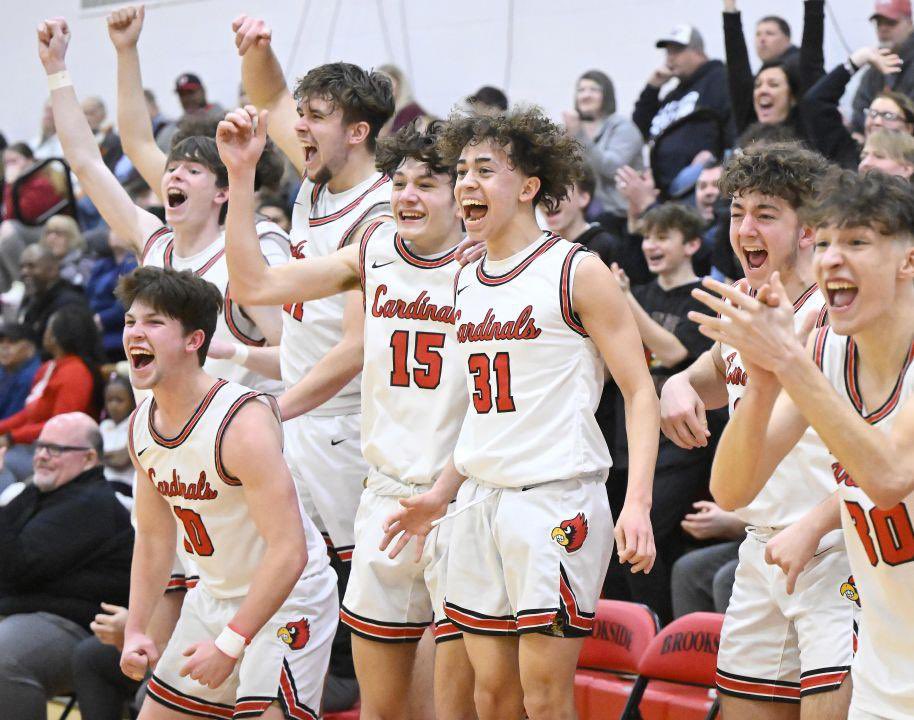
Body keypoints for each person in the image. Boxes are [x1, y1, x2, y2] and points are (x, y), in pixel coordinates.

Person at [380, 107, 658, 720]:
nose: (466, 184)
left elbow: (640, 391)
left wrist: (635, 502)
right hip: (480, 497)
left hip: (555, 500)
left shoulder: (575, 270)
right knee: (492, 695)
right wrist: (441, 493)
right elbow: (485, 414)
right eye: (460, 171)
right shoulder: (467, 278)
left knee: (545, 695)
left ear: (529, 187)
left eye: (486, 169)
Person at [216, 110, 475, 719]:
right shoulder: (374, 250)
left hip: (463, 498)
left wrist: (447, 488)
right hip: (384, 494)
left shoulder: (493, 268)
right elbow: (254, 285)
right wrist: (243, 174)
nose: (406, 196)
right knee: (380, 710)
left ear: (460, 196)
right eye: (401, 182)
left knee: (450, 708)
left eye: (425, 183)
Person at [690, 169, 914, 720]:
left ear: (908, 261)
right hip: (889, 655)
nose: (832, 257)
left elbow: (887, 478)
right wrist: (764, 382)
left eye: (857, 242)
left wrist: (788, 360)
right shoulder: (829, 354)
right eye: (828, 241)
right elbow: (732, 488)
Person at [660, 144, 857, 716]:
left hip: (838, 546)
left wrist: (819, 523)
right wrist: (678, 385)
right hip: (760, 547)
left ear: (808, 228)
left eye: (766, 213)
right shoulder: (746, 301)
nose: (745, 228)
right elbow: (715, 372)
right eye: (737, 211)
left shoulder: (839, 313)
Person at [116, 265, 337, 719]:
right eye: (130, 322)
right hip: (213, 596)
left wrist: (232, 641)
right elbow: (155, 540)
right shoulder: (141, 426)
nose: (136, 333)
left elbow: (289, 550)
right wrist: (137, 627)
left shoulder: (241, 424)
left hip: (288, 598)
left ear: (194, 340)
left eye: (154, 323)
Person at [42, 9, 286, 397]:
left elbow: (296, 358)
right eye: (172, 169)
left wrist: (234, 354)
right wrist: (56, 69)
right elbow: (87, 162)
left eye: (192, 171)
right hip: (165, 439)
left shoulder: (249, 254)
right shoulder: (154, 241)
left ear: (223, 191)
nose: (173, 175)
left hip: (234, 438)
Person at [604, 203, 714, 624]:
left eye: (663, 237)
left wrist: (626, 300)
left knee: (640, 541)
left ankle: (658, 633)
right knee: (615, 549)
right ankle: (626, 639)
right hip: (628, 442)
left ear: (691, 244)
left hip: (680, 446)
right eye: (648, 236)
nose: (652, 245)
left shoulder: (700, 298)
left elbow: (674, 352)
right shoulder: (645, 294)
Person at [0, 412, 133, 720]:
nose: (42, 456)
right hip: (29, 611)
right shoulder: (39, 492)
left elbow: (15, 567)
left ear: (88, 458)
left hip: (79, 628)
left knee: (4, 659)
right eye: (40, 446)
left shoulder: (91, 503)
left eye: (55, 449)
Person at [0, 305, 104, 486]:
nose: (45, 332)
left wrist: (11, 437)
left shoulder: (76, 372)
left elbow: (60, 427)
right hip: (33, 443)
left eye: (49, 327)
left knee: (4, 462)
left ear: (58, 335)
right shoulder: (49, 367)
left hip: (61, 452)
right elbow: (28, 413)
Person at [632, 24, 732, 196]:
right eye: (668, 52)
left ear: (698, 52)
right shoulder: (673, 95)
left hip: (698, 182)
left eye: (677, 51)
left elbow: (733, 121)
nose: (670, 58)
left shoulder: (719, 78)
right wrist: (652, 87)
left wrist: (717, 157)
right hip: (662, 186)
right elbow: (639, 130)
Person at [722, 0, 825, 135]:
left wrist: (813, 5)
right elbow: (738, 72)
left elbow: (812, 54)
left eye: (769, 33)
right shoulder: (752, 132)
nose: (762, 39)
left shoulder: (801, 70)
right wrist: (729, 8)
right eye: (758, 34)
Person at [562, 70, 643, 235]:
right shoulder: (571, 130)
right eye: (581, 90)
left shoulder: (622, 127)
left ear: (606, 94)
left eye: (594, 90)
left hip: (619, 218)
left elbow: (612, 168)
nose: (586, 95)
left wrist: (579, 136)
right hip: (582, 215)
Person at [802, 46, 909, 169]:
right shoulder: (848, 155)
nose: (877, 122)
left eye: (888, 116)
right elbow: (815, 102)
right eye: (872, 114)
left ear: (909, 127)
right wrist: (857, 61)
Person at [543, 163, 648, 282]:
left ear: (584, 198)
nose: (549, 199)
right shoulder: (543, 248)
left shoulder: (606, 245)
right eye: (543, 192)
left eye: (559, 191)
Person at [670, 501, 745, 616]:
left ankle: (733, 634)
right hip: (755, 532)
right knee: (687, 569)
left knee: (727, 579)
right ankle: (692, 634)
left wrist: (734, 522)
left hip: (774, 537)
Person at [852, 0, 914, 133]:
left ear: (909, 24)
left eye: (891, 22)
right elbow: (858, 111)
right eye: (879, 22)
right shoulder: (874, 70)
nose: (883, 28)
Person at [16, 243, 87, 348]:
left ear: (53, 270)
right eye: (22, 267)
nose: (24, 272)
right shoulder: (31, 302)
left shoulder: (70, 304)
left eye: (31, 266)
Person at [87, 227, 139, 362]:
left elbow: (125, 303)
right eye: (111, 229)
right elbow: (89, 294)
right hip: (94, 322)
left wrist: (101, 319)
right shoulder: (102, 264)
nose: (114, 234)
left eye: (118, 229)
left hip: (117, 328)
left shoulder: (133, 264)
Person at [99, 372, 135, 498]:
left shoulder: (134, 424)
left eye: (119, 400)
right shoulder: (104, 426)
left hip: (124, 486)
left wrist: (99, 456)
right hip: (103, 483)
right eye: (109, 400)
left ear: (131, 402)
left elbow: (122, 461)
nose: (113, 405)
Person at [39, 213, 95, 287]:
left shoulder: (84, 264)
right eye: (48, 233)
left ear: (71, 237)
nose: (52, 238)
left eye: (58, 233)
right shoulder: (41, 269)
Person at [0, 322, 40, 424]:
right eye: (1, 341)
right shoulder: (6, 367)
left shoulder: (31, 376)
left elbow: (11, 419)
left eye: (12, 342)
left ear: (30, 348)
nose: (4, 347)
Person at [378, 64, 430, 136]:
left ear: (400, 87)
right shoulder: (379, 113)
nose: (384, 90)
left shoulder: (410, 111)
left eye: (389, 86)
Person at [81, 96, 123, 173]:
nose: (87, 118)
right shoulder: (76, 141)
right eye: (83, 113)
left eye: (91, 113)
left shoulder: (112, 140)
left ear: (103, 114)